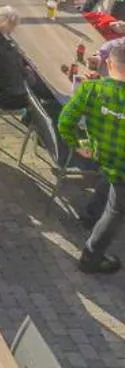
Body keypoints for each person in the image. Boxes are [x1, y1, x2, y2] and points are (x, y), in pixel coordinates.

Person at [59, 36, 125, 275]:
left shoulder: (91, 89)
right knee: (116, 212)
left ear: (108, 64)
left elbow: (65, 122)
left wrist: (80, 145)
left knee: (110, 184)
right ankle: (91, 257)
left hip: (103, 157)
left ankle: (89, 215)